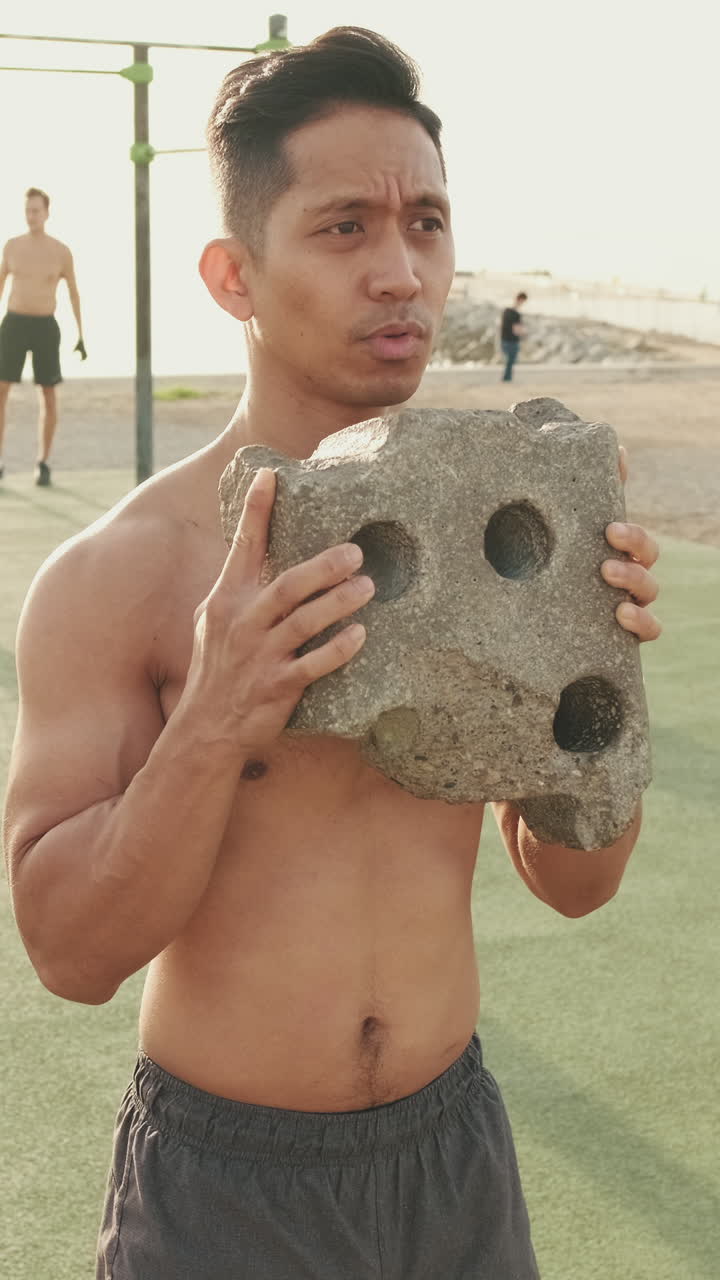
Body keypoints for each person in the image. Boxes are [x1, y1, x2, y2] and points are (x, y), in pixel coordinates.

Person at [4, 28, 661, 1280]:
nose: (402, 272)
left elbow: (577, 884)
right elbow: (68, 951)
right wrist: (217, 716)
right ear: (233, 276)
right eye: (345, 226)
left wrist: (596, 696)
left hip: (453, 1155)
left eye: (427, 223)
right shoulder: (117, 576)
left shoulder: (504, 528)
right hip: (225, 1186)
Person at [0, 187, 86, 485]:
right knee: (1, 390)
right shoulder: (12, 246)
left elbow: (74, 293)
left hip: (45, 326)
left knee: (48, 394)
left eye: (36, 210)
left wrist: (81, 335)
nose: (31, 216)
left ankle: (43, 462)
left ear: (47, 213)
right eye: (28, 210)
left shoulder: (61, 251)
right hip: (14, 323)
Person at [500, 290, 528, 382]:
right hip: (512, 341)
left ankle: (506, 378)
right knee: (511, 361)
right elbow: (516, 330)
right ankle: (507, 379)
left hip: (504, 339)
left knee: (509, 361)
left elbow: (502, 326)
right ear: (521, 300)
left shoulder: (506, 311)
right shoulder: (516, 314)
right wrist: (524, 334)